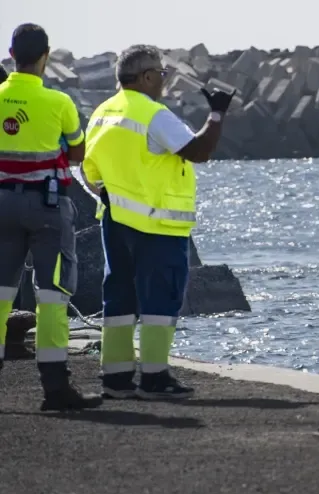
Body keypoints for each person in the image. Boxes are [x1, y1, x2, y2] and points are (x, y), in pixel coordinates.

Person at [81, 45, 236, 400]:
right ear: (147, 77)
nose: (164, 82)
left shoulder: (102, 114)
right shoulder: (153, 114)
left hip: (115, 221)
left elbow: (88, 171)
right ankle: (154, 378)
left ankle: (116, 379)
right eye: (162, 75)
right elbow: (198, 152)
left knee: (118, 297)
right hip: (157, 225)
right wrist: (216, 115)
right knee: (160, 299)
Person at [0, 24, 100, 410]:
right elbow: (77, 153)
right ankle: (57, 390)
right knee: (52, 296)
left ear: (11, 53)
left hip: (2, 206)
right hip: (46, 207)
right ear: (46, 56)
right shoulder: (58, 103)